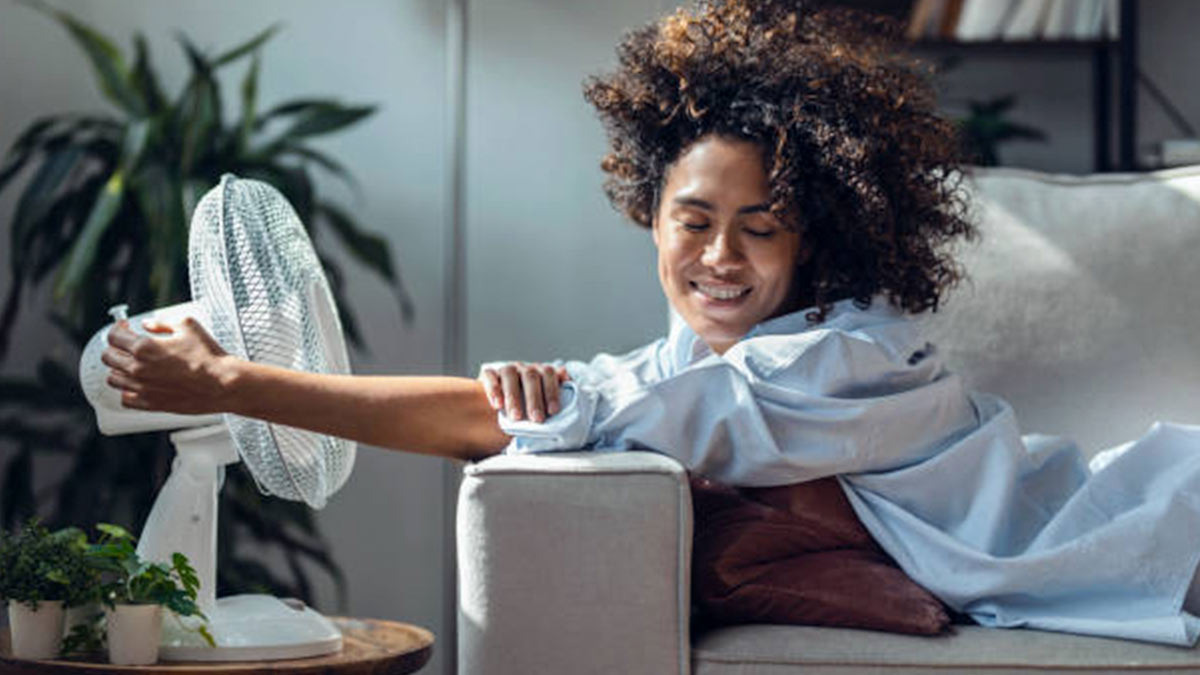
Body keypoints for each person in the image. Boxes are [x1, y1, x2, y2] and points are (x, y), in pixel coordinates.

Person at [103, 0, 1200, 646]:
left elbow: (486, 420)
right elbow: (561, 406)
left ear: (812, 237)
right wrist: (557, 402)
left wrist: (236, 385)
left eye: (761, 229)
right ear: (648, 211)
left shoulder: (842, 357)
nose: (720, 257)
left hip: (1167, 530)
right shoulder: (702, 358)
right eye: (694, 219)